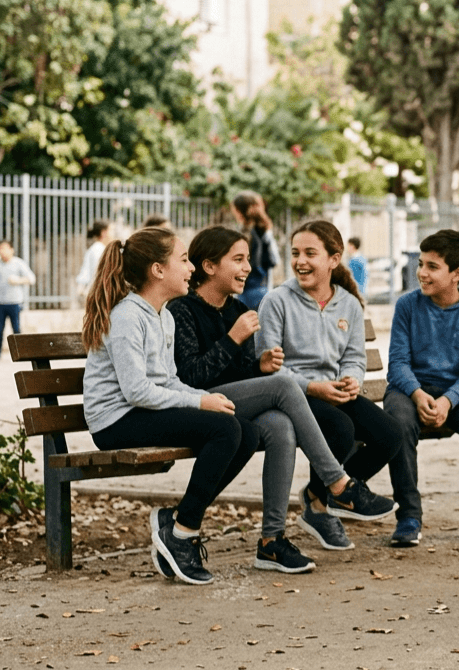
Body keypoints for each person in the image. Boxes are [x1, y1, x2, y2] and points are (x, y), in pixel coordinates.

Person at [169, 226, 395, 573]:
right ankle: (338, 484)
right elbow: (191, 377)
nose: (248, 268)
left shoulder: (238, 309)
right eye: (239, 260)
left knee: (281, 426)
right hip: (202, 404)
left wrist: (257, 363)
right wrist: (236, 341)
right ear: (210, 266)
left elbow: (244, 372)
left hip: (239, 403)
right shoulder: (182, 310)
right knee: (286, 388)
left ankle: (271, 541)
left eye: (248, 260)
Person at [81, 227, 260, 585]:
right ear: (157, 270)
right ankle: (182, 533)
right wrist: (197, 400)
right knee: (224, 430)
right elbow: (137, 392)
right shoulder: (129, 316)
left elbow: (167, 379)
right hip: (115, 421)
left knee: (247, 432)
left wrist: (203, 400)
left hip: (140, 412)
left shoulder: (162, 315)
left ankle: (177, 521)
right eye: (183, 260)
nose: (191, 268)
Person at [257, 221, 402, 552]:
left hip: (332, 391)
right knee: (340, 427)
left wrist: (353, 380)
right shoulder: (276, 301)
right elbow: (269, 367)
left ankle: (318, 497)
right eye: (295, 253)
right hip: (289, 394)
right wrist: (312, 387)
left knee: (390, 434)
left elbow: (353, 356)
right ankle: (323, 505)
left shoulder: (348, 304)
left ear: (334, 259)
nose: (300, 261)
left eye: (311, 253)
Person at [384, 230, 459, 548]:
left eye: (432, 266)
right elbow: (397, 365)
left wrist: (448, 401)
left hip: (454, 393)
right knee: (398, 423)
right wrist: (418, 394)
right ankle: (409, 516)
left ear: (457, 274)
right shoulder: (407, 306)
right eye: (421, 264)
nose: (422, 272)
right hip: (408, 389)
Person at [0, 240, 36, 360]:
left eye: (4, 248)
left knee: (16, 328)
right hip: (0, 302)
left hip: (14, 302)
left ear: (11, 250)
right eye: (0, 249)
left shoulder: (19, 263)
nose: (2, 251)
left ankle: (21, 353)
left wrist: (18, 280)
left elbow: (31, 279)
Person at [233, 191, 279, 311]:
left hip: (247, 291)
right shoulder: (264, 231)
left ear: (239, 211)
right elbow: (274, 259)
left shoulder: (245, 234)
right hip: (264, 290)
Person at [76, 220, 113, 303]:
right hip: (98, 295)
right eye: (111, 231)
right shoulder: (99, 249)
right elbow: (100, 273)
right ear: (103, 233)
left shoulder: (95, 248)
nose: (113, 234)